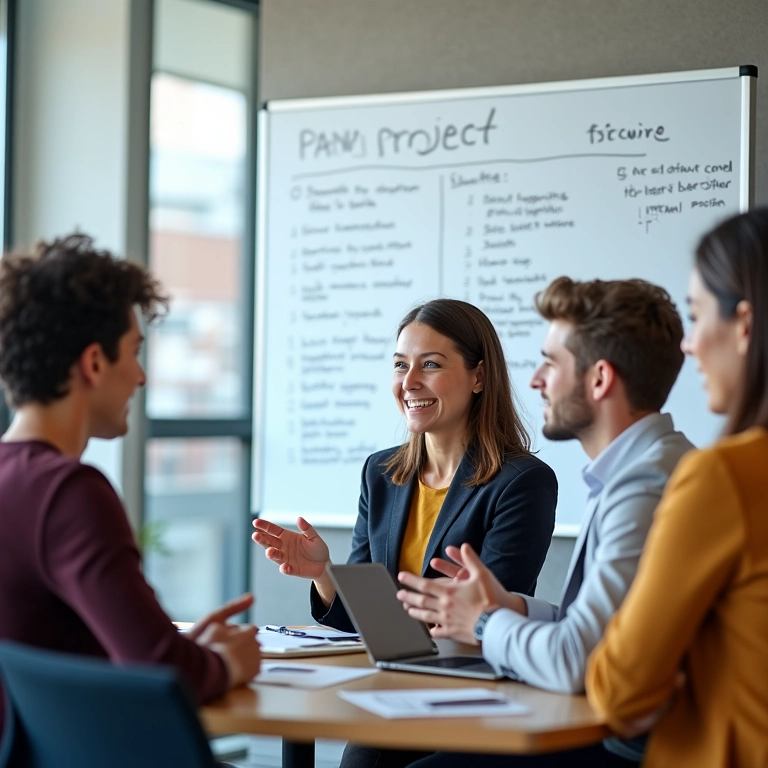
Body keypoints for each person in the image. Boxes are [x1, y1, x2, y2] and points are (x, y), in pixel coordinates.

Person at [397, 277, 693, 768]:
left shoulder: (646, 486)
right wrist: (511, 606)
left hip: (632, 746)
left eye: (552, 363)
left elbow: (577, 659)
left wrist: (485, 621)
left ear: (599, 380)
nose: (535, 379)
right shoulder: (632, 470)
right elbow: (603, 630)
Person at [253, 298, 557, 768]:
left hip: (469, 702)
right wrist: (326, 574)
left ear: (479, 377)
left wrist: (439, 614)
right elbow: (367, 623)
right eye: (400, 365)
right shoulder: (381, 473)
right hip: (391, 693)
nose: (409, 382)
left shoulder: (522, 482)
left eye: (430, 365)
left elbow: (490, 620)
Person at [0, 234, 261, 735]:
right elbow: (160, 670)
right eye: (134, 352)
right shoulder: (68, 493)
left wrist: (188, 651)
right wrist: (230, 663)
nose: (140, 377)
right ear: (94, 362)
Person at [587, 209, 768, 768]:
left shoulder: (723, 477)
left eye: (696, 315)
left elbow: (621, 689)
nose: (687, 346)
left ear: (743, 324)